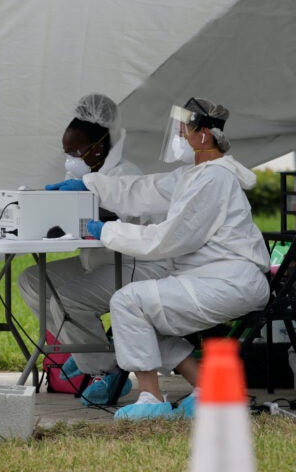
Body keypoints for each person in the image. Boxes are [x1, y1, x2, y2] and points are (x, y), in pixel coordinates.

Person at [80, 97, 270, 419]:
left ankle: (152, 400)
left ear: (204, 135)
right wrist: (89, 185)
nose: (179, 137)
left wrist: (106, 231)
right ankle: (209, 388)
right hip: (212, 278)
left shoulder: (213, 179)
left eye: (184, 131)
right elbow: (143, 190)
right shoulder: (195, 174)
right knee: (143, 313)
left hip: (230, 283)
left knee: (129, 303)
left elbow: (168, 238)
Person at [18, 93, 171, 405]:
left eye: (74, 151)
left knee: (69, 300)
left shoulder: (125, 175)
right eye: (66, 151)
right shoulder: (81, 174)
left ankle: (107, 369)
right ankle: (85, 351)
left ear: (98, 147)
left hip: (135, 264)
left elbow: (121, 219)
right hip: (98, 260)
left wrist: (91, 208)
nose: (68, 159)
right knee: (33, 280)